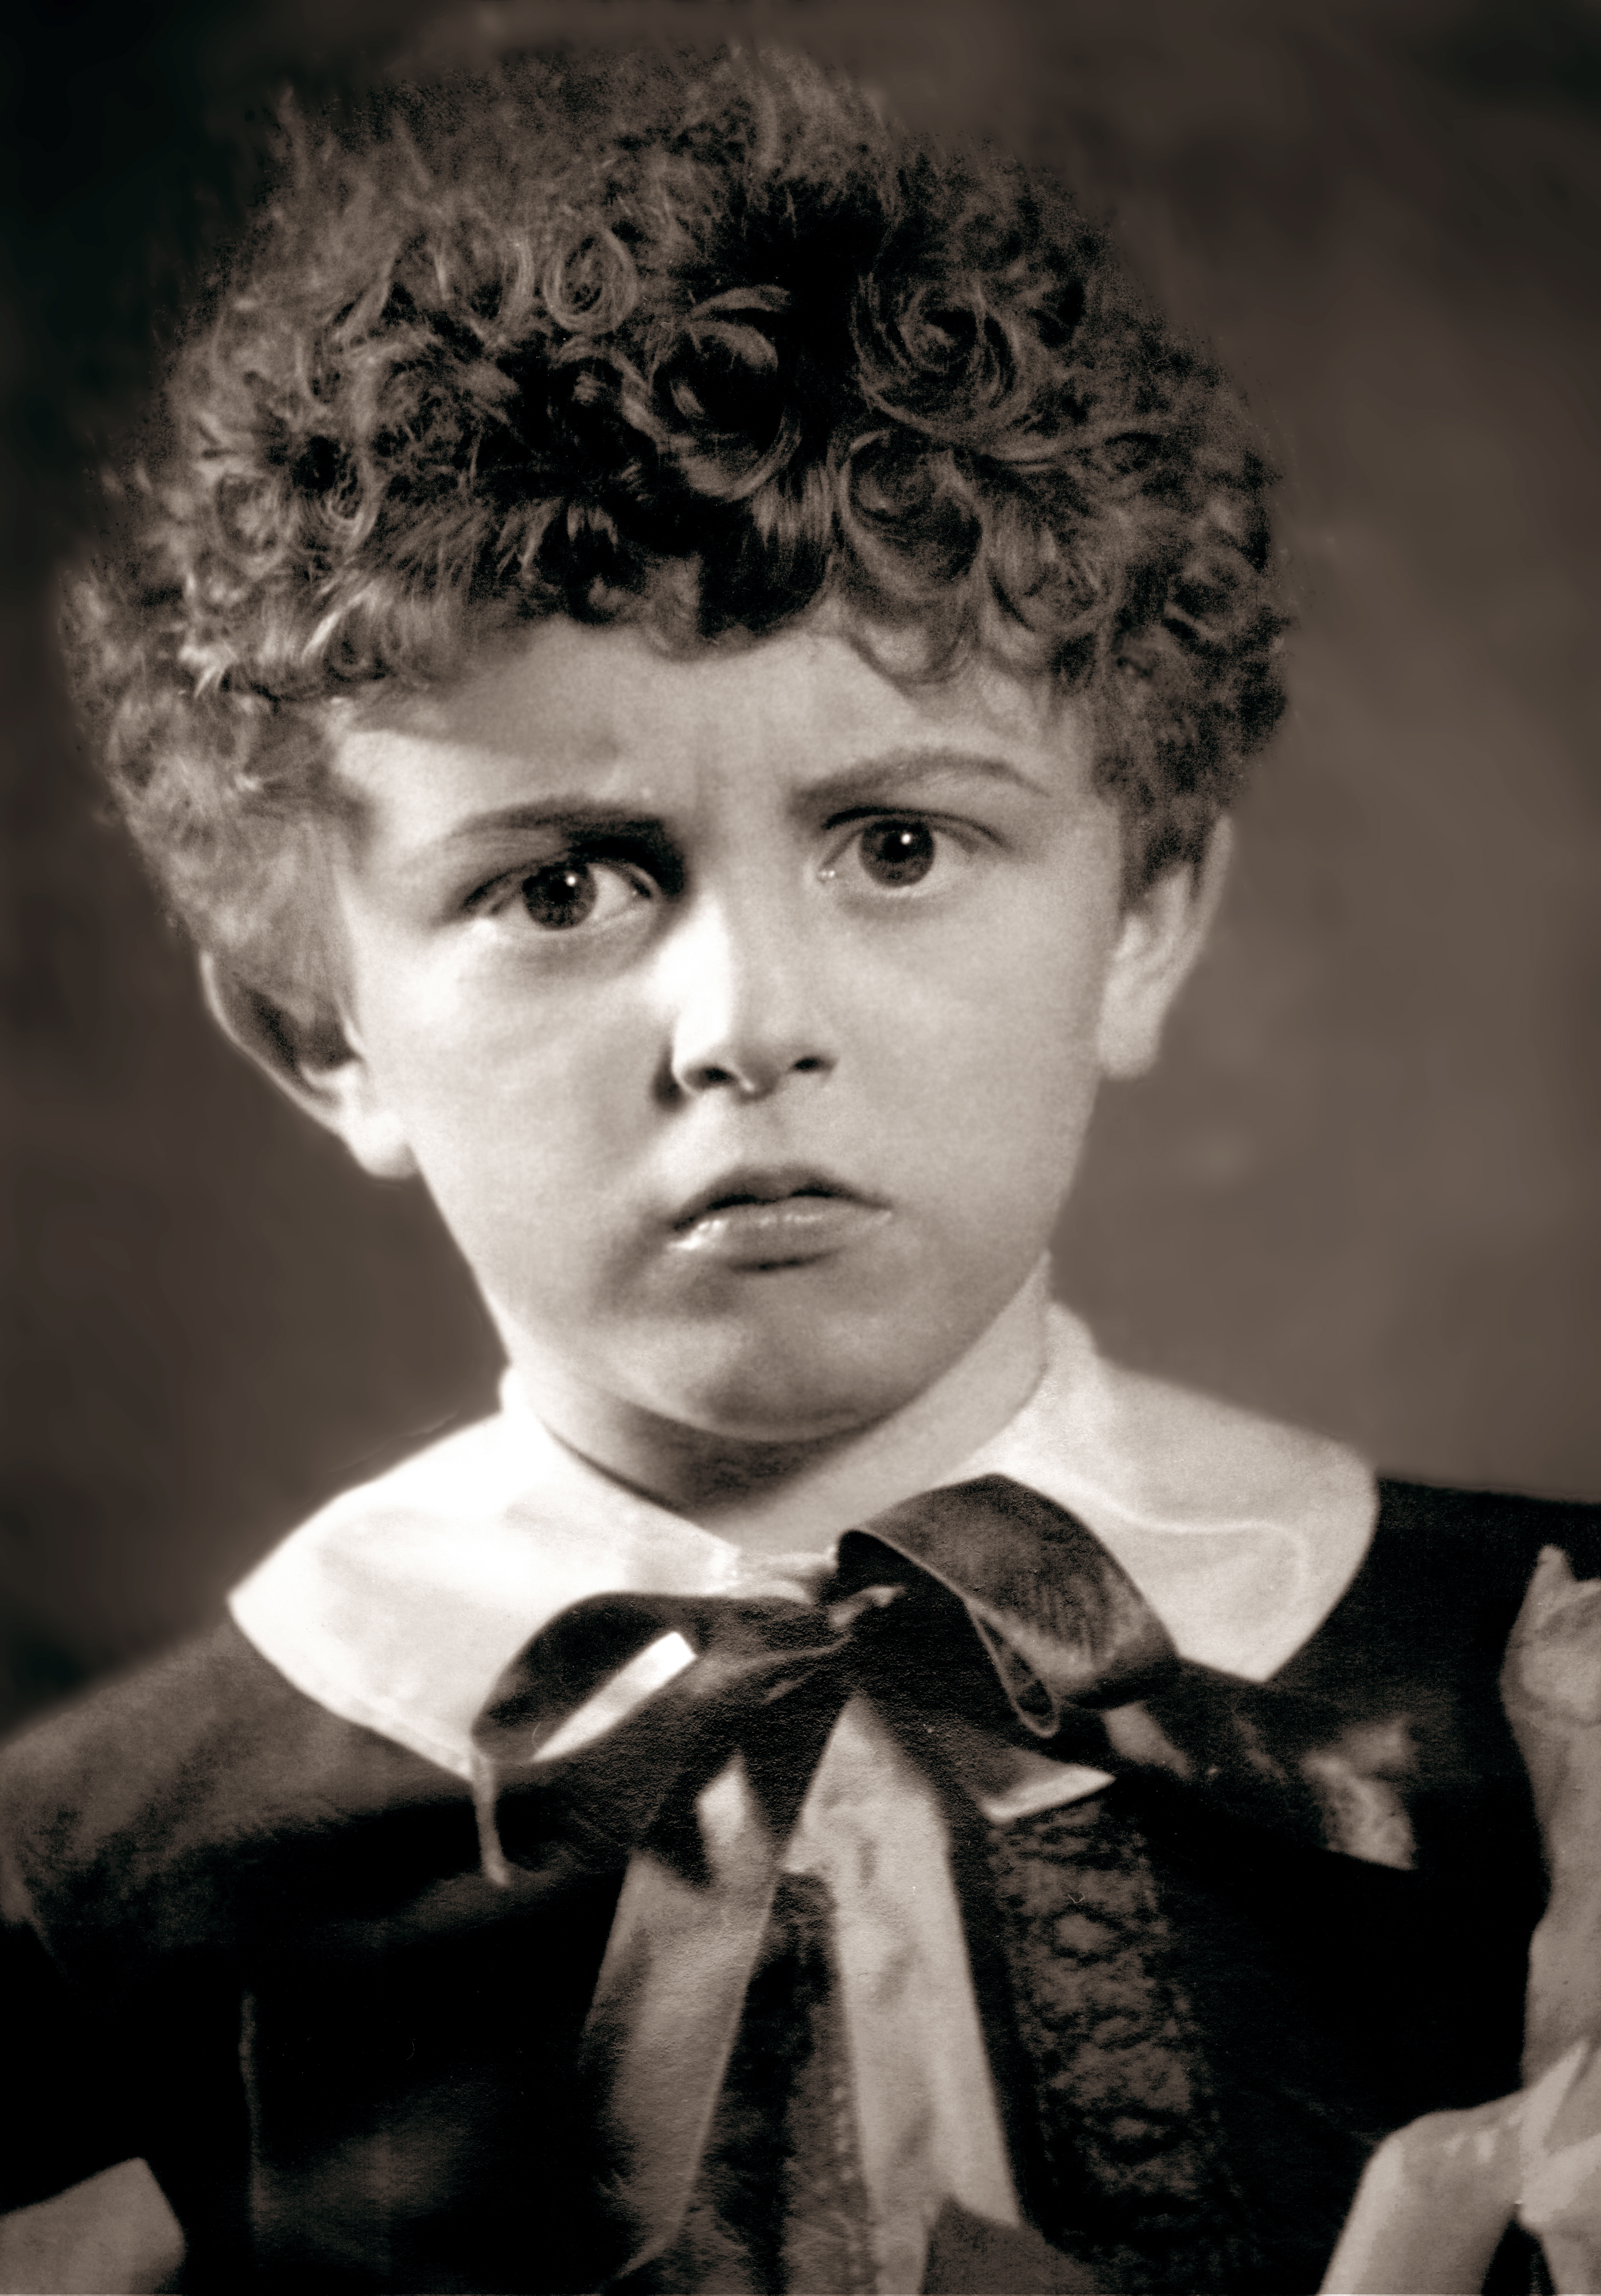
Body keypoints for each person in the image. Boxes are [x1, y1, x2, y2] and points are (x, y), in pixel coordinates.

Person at [1, 40, 1594, 2295]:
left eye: (899, 843)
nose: (747, 1020)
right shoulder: (96, 1886)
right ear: (321, 1028)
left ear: (1142, 917)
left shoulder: (1542, 1686)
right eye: (562, 885)